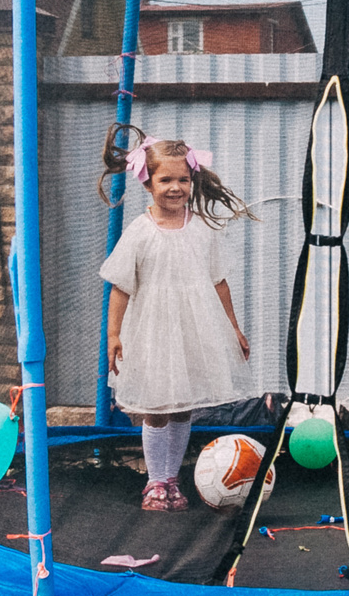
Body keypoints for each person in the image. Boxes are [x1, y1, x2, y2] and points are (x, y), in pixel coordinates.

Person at [98, 124, 253, 511]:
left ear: (192, 181)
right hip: (152, 333)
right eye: (165, 179)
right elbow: (120, 287)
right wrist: (113, 335)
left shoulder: (200, 228)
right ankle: (154, 481)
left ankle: (171, 478)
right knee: (156, 409)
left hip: (192, 332)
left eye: (183, 179)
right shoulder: (140, 231)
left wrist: (233, 327)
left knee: (182, 406)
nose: (175, 187)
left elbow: (218, 282)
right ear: (147, 182)